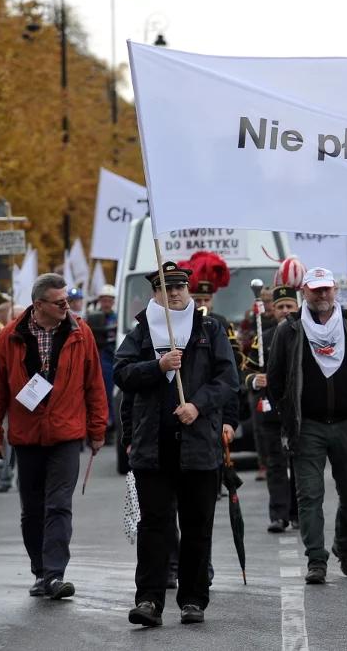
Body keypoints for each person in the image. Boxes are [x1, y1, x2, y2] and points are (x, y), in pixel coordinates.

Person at [117, 262, 239, 627]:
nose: (173, 294)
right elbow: (122, 374)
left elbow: (228, 379)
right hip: (153, 447)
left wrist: (197, 405)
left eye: (179, 287)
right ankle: (150, 601)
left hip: (198, 445)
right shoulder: (142, 332)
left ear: (188, 290)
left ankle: (192, 599)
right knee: (154, 526)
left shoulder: (210, 329)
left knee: (197, 525)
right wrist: (157, 366)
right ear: (154, 293)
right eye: (164, 289)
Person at [0, 273, 108, 600]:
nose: (67, 306)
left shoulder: (81, 333)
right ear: (38, 305)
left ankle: (55, 575)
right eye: (59, 302)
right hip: (27, 437)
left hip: (67, 433)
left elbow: (94, 383)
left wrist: (97, 429)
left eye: (67, 300)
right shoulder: (10, 336)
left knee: (58, 505)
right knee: (32, 509)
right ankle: (40, 571)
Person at [267, 267, 347, 585]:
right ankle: (316, 559)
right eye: (316, 290)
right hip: (308, 426)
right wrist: (290, 417)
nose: (322, 295)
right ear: (304, 292)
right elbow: (275, 380)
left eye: (327, 289)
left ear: (335, 290)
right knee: (310, 495)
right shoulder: (289, 330)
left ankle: (345, 548)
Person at [246, 279, 301, 533]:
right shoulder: (263, 337)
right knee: (276, 464)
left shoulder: (306, 336)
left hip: (299, 411)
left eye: (290, 305)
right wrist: (255, 380)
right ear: (274, 310)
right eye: (281, 307)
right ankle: (279, 515)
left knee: (299, 465)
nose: (286, 311)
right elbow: (246, 370)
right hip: (271, 410)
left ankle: (299, 512)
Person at [87, 284, 119, 441]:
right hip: (99, 356)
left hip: (114, 355)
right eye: (104, 300)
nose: (106, 303)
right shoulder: (93, 317)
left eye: (109, 300)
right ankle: (101, 423)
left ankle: (112, 422)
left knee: (112, 392)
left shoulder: (118, 317)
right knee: (100, 391)